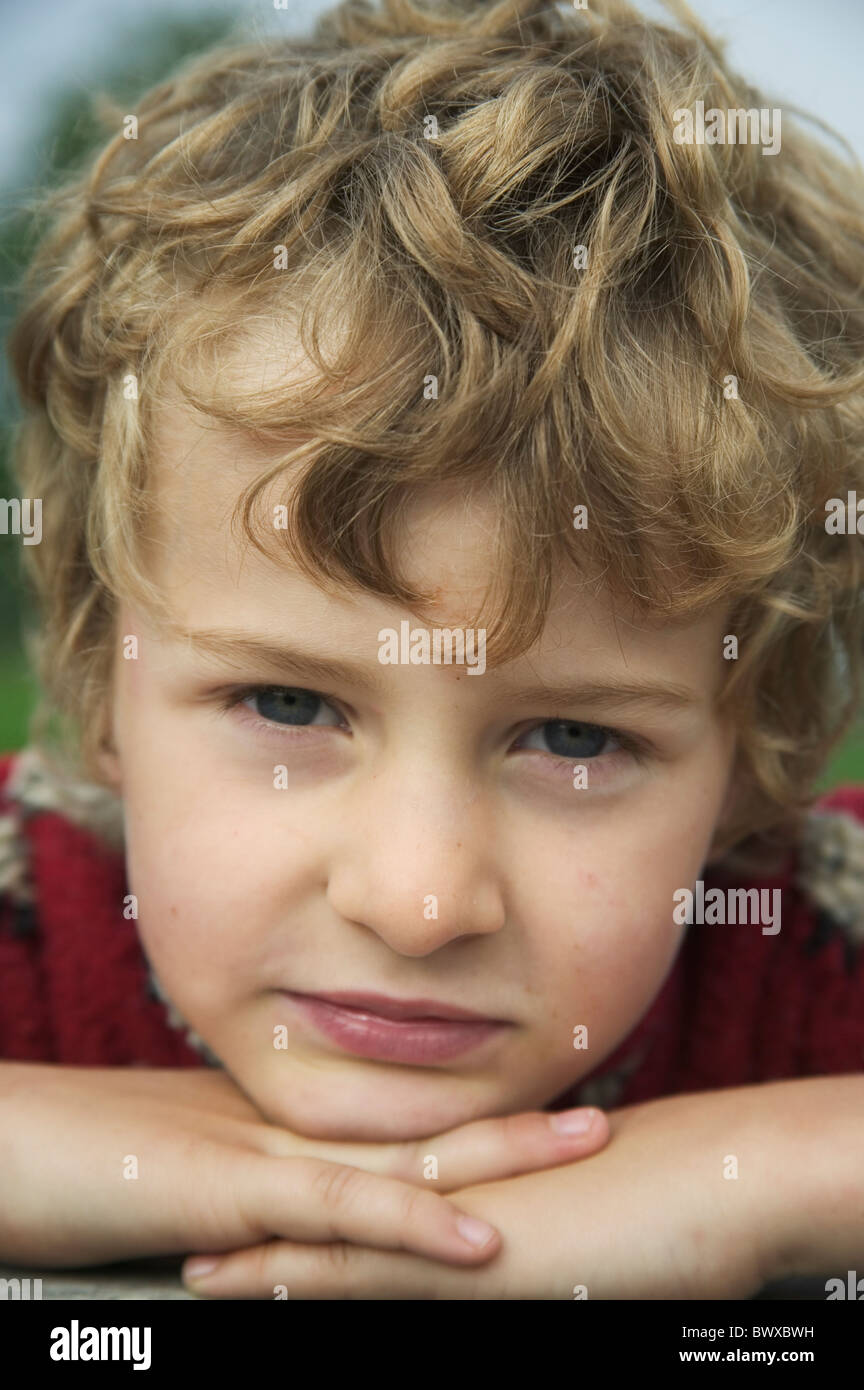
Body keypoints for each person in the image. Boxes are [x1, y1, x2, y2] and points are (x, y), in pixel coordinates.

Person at [1, 0, 863, 1300]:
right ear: (97, 675)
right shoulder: (28, 913)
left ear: (752, 759)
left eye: (577, 737)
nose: (415, 904)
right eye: (289, 701)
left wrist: (761, 1172)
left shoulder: (811, 941)